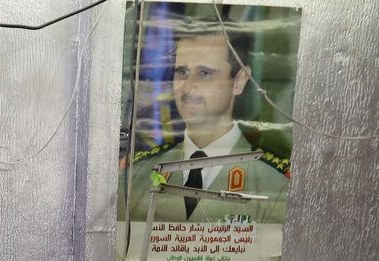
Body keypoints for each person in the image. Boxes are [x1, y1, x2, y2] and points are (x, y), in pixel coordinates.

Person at [120, 24, 290, 224]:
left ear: (239, 80)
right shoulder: (136, 177)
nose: (188, 87)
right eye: (181, 71)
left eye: (204, 73)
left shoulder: (276, 186)